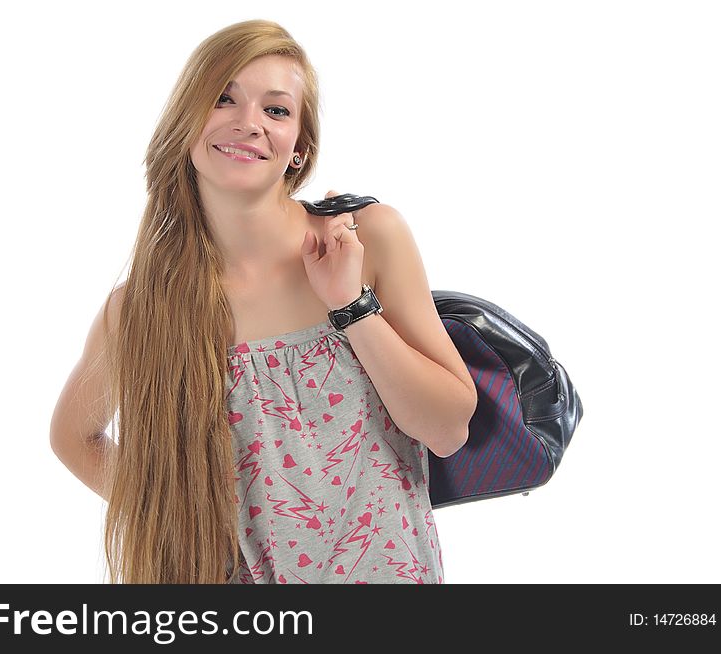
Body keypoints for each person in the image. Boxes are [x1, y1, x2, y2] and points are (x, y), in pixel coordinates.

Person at [50, 19, 478, 584]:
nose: (248, 122)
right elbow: (73, 438)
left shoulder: (366, 238)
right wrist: (177, 518)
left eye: (276, 110)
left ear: (299, 149)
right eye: (223, 99)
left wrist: (350, 304)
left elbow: (447, 429)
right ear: (187, 122)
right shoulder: (142, 309)